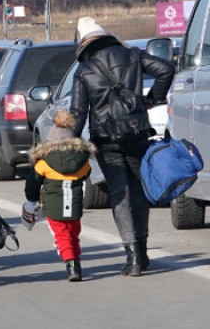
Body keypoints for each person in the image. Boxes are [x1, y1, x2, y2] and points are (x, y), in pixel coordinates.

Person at [70, 16, 174, 277]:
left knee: (120, 194)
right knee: (139, 191)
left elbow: (78, 111)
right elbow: (166, 70)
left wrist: (71, 143)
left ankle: (132, 256)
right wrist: (154, 98)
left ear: (84, 43)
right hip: (137, 133)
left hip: (106, 140)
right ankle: (143, 250)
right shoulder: (132, 55)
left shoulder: (84, 70)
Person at [24, 110, 95, 282]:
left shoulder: (44, 162)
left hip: (53, 204)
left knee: (61, 235)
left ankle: (71, 264)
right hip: (75, 203)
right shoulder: (82, 160)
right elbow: (87, 174)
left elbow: (32, 185)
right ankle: (76, 261)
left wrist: (32, 199)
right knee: (73, 233)